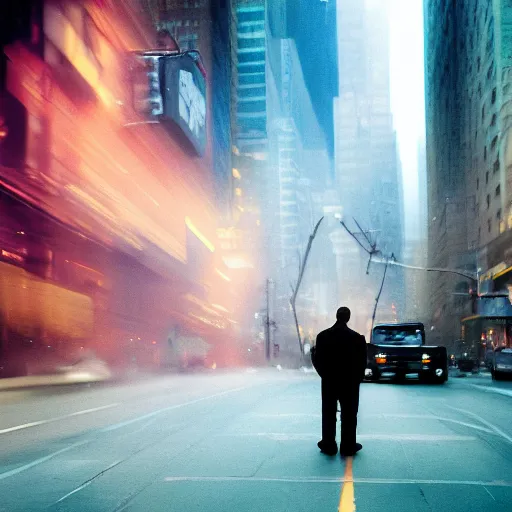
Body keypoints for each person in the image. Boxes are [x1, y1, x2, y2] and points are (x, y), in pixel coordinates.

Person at [311, 307, 367, 456]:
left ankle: (328, 444)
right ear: (348, 318)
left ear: (336, 316)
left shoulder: (322, 337)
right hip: (349, 382)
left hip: (329, 380)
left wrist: (325, 375)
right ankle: (348, 445)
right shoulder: (357, 338)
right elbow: (362, 363)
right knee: (349, 414)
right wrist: (357, 379)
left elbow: (317, 360)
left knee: (328, 412)